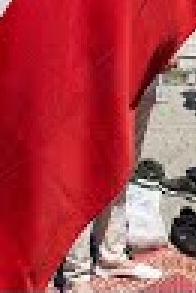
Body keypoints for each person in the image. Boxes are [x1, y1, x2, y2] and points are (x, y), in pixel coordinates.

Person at [58, 79, 167, 291]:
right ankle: (77, 272)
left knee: (123, 167)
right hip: (99, 69)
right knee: (84, 170)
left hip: (143, 72)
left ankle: (110, 254)